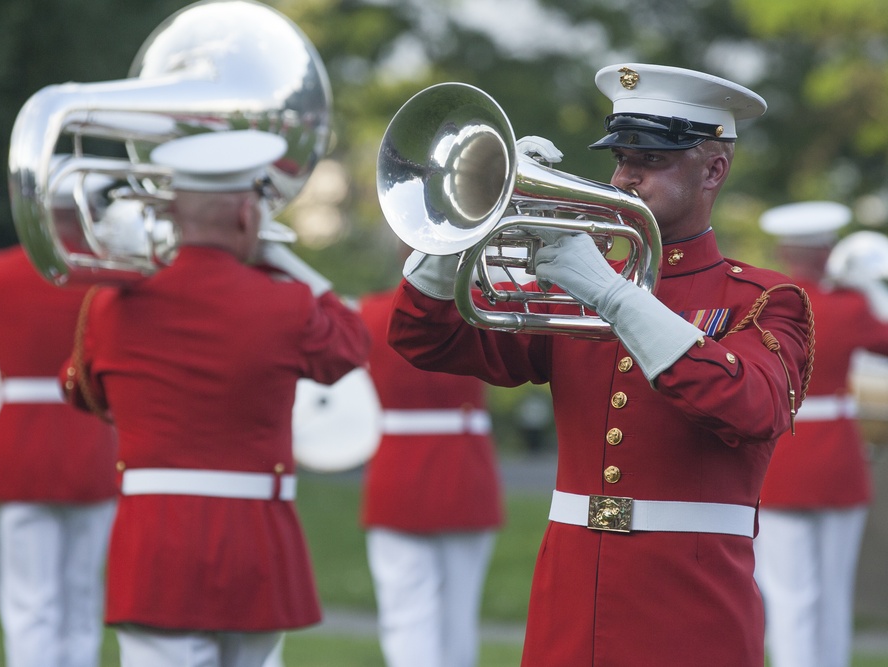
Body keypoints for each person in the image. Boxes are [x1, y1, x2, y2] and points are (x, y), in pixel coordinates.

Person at [386, 63, 815, 665]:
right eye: (620, 156)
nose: (624, 176)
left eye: (653, 159)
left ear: (714, 168)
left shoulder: (765, 300)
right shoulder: (580, 287)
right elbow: (424, 338)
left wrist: (615, 295)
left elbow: (750, 408)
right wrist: (469, 218)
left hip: (689, 608)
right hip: (569, 594)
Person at [59, 129, 370, 667]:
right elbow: (352, 344)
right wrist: (289, 264)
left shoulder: (111, 306)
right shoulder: (287, 305)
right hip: (256, 540)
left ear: (173, 212)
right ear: (250, 217)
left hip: (153, 541)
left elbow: (81, 393)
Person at [0, 179, 120, 667]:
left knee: (28, 602)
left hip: (21, 444)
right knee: (81, 598)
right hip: (90, 440)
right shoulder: (107, 276)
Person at [754, 201, 888, 667]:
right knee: (833, 592)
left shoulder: (762, 304)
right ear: (827, 251)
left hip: (782, 461)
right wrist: (867, 289)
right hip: (837, 460)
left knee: (789, 594)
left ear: (784, 251)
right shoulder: (848, 306)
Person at [358, 260, 504, 667]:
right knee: (459, 616)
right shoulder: (480, 306)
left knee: (404, 614)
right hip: (464, 471)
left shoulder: (370, 311)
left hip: (396, 471)